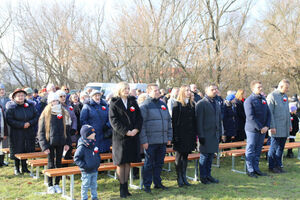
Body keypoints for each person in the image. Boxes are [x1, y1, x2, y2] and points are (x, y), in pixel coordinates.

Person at [109, 82, 143, 198]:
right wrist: (125, 131)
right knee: (120, 162)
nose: (127, 90)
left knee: (128, 161)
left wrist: (136, 129)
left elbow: (139, 117)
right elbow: (114, 120)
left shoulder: (133, 101)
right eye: (125, 88)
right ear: (119, 90)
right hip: (121, 137)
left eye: (128, 88)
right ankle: (122, 187)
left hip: (132, 136)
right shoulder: (114, 103)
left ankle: (126, 187)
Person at [139, 83, 172, 193]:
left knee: (159, 163)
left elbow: (168, 122)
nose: (158, 92)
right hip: (150, 141)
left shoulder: (163, 105)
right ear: (148, 92)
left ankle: (157, 183)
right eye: (155, 90)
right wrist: (144, 141)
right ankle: (147, 185)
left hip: (162, 140)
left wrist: (169, 137)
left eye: (158, 90)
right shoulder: (145, 105)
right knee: (149, 164)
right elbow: (141, 125)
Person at [38, 92, 72, 194]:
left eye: (56, 100)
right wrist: (44, 146)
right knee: (50, 164)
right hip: (49, 143)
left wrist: (67, 143)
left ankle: (57, 183)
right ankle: (50, 184)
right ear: (50, 102)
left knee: (59, 163)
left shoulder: (64, 112)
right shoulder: (46, 113)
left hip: (61, 142)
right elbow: (41, 131)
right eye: (53, 101)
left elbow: (67, 130)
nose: (55, 102)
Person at [6, 88, 39, 175]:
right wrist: (21, 125)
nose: (20, 97)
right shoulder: (11, 108)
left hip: (28, 131)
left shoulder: (30, 106)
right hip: (16, 133)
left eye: (22, 95)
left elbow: (36, 116)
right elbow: (9, 120)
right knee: (18, 149)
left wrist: (29, 123)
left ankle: (25, 167)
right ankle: (17, 168)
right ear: (14, 97)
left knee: (26, 149)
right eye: (18, 96)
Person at [244, 80, 271, 178]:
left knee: (258, 149)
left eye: (261, 87)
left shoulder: (263, 99)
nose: (261, 88)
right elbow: (250, 117)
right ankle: (250, 169)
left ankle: (256, 168)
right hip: (253, 129)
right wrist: (260, 127)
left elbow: (268, 113)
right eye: (258, 87)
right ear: (253, 88)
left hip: (263, 129)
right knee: (251, 149)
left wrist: (267, 126)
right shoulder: (249, 100)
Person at [195, 84, 221, 184]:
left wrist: (220, 133)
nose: (215, 91)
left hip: (214, 134)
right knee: (204, 156)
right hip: (205, 135)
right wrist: (200, 135)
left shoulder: (216, 102)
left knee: (211, 156)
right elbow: (199, 121)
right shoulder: (201, 103)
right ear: (206, 91)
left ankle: (208, 175)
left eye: (215, 89)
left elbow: (219, 119)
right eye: (212, 89)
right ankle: (203, 176)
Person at [172, 85, 197, 187]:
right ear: (182, 92)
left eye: (189, 91)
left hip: (189, 135)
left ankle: (184, 176)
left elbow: (194, 121)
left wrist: (195, 136)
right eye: (186, 90)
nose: (189, 92)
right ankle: (179, 178)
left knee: (186, 156)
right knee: (179, 156)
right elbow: (174, 122)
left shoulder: (192, 104)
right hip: (180, 135)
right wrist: (175, 136)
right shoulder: (177, 105)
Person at [267, 79, 292, 173]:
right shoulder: (272, 96)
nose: (287, 90)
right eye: (286, 88)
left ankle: (278, 165)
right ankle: (271, 166)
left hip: (284, 127)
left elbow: (287, 112)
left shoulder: (285, 96)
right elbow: (270, 113)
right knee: (274, 147)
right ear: (281, 86)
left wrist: (289, 124)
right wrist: (272, 126)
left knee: (281, 148)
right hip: (276, 128)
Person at [74, 125, 101, 200]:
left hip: (94, 169)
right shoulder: (82, 146)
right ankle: (84, 198)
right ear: (87, 135)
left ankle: (94, 197)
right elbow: (76, 158)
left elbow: (97, 154)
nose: (94, 134)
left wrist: (97, 162)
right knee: (85, 185)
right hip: (86, 171)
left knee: (94, 185)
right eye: (92, 133)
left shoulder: (93, 143)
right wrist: (85, 166)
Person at [57, 90, 77, 159]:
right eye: (61, 96)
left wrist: (74, 128)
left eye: (64, 96)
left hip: (69, 131)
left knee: (69, 149)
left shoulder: (69, 106)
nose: (63, 98)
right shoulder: (56, 107)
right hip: (61, 132)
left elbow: (74, 118)